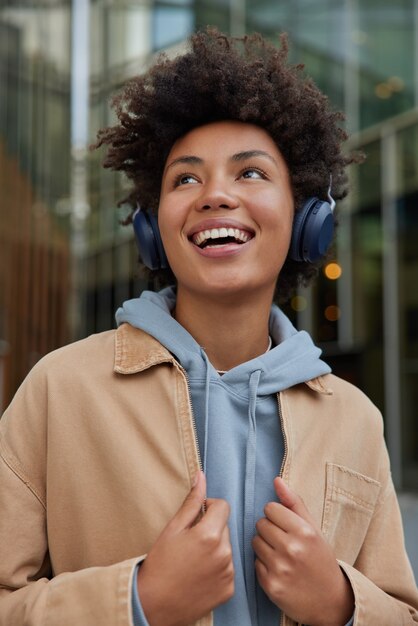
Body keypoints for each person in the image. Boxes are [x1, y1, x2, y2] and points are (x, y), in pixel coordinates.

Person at [0, 28, 417, 626]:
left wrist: (340, 603)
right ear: (153, 228)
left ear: (307, 221)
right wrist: (138, 602)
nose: (215, 194)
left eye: (250, 173)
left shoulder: (355, 418)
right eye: (186, 179)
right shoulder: (58, 391)